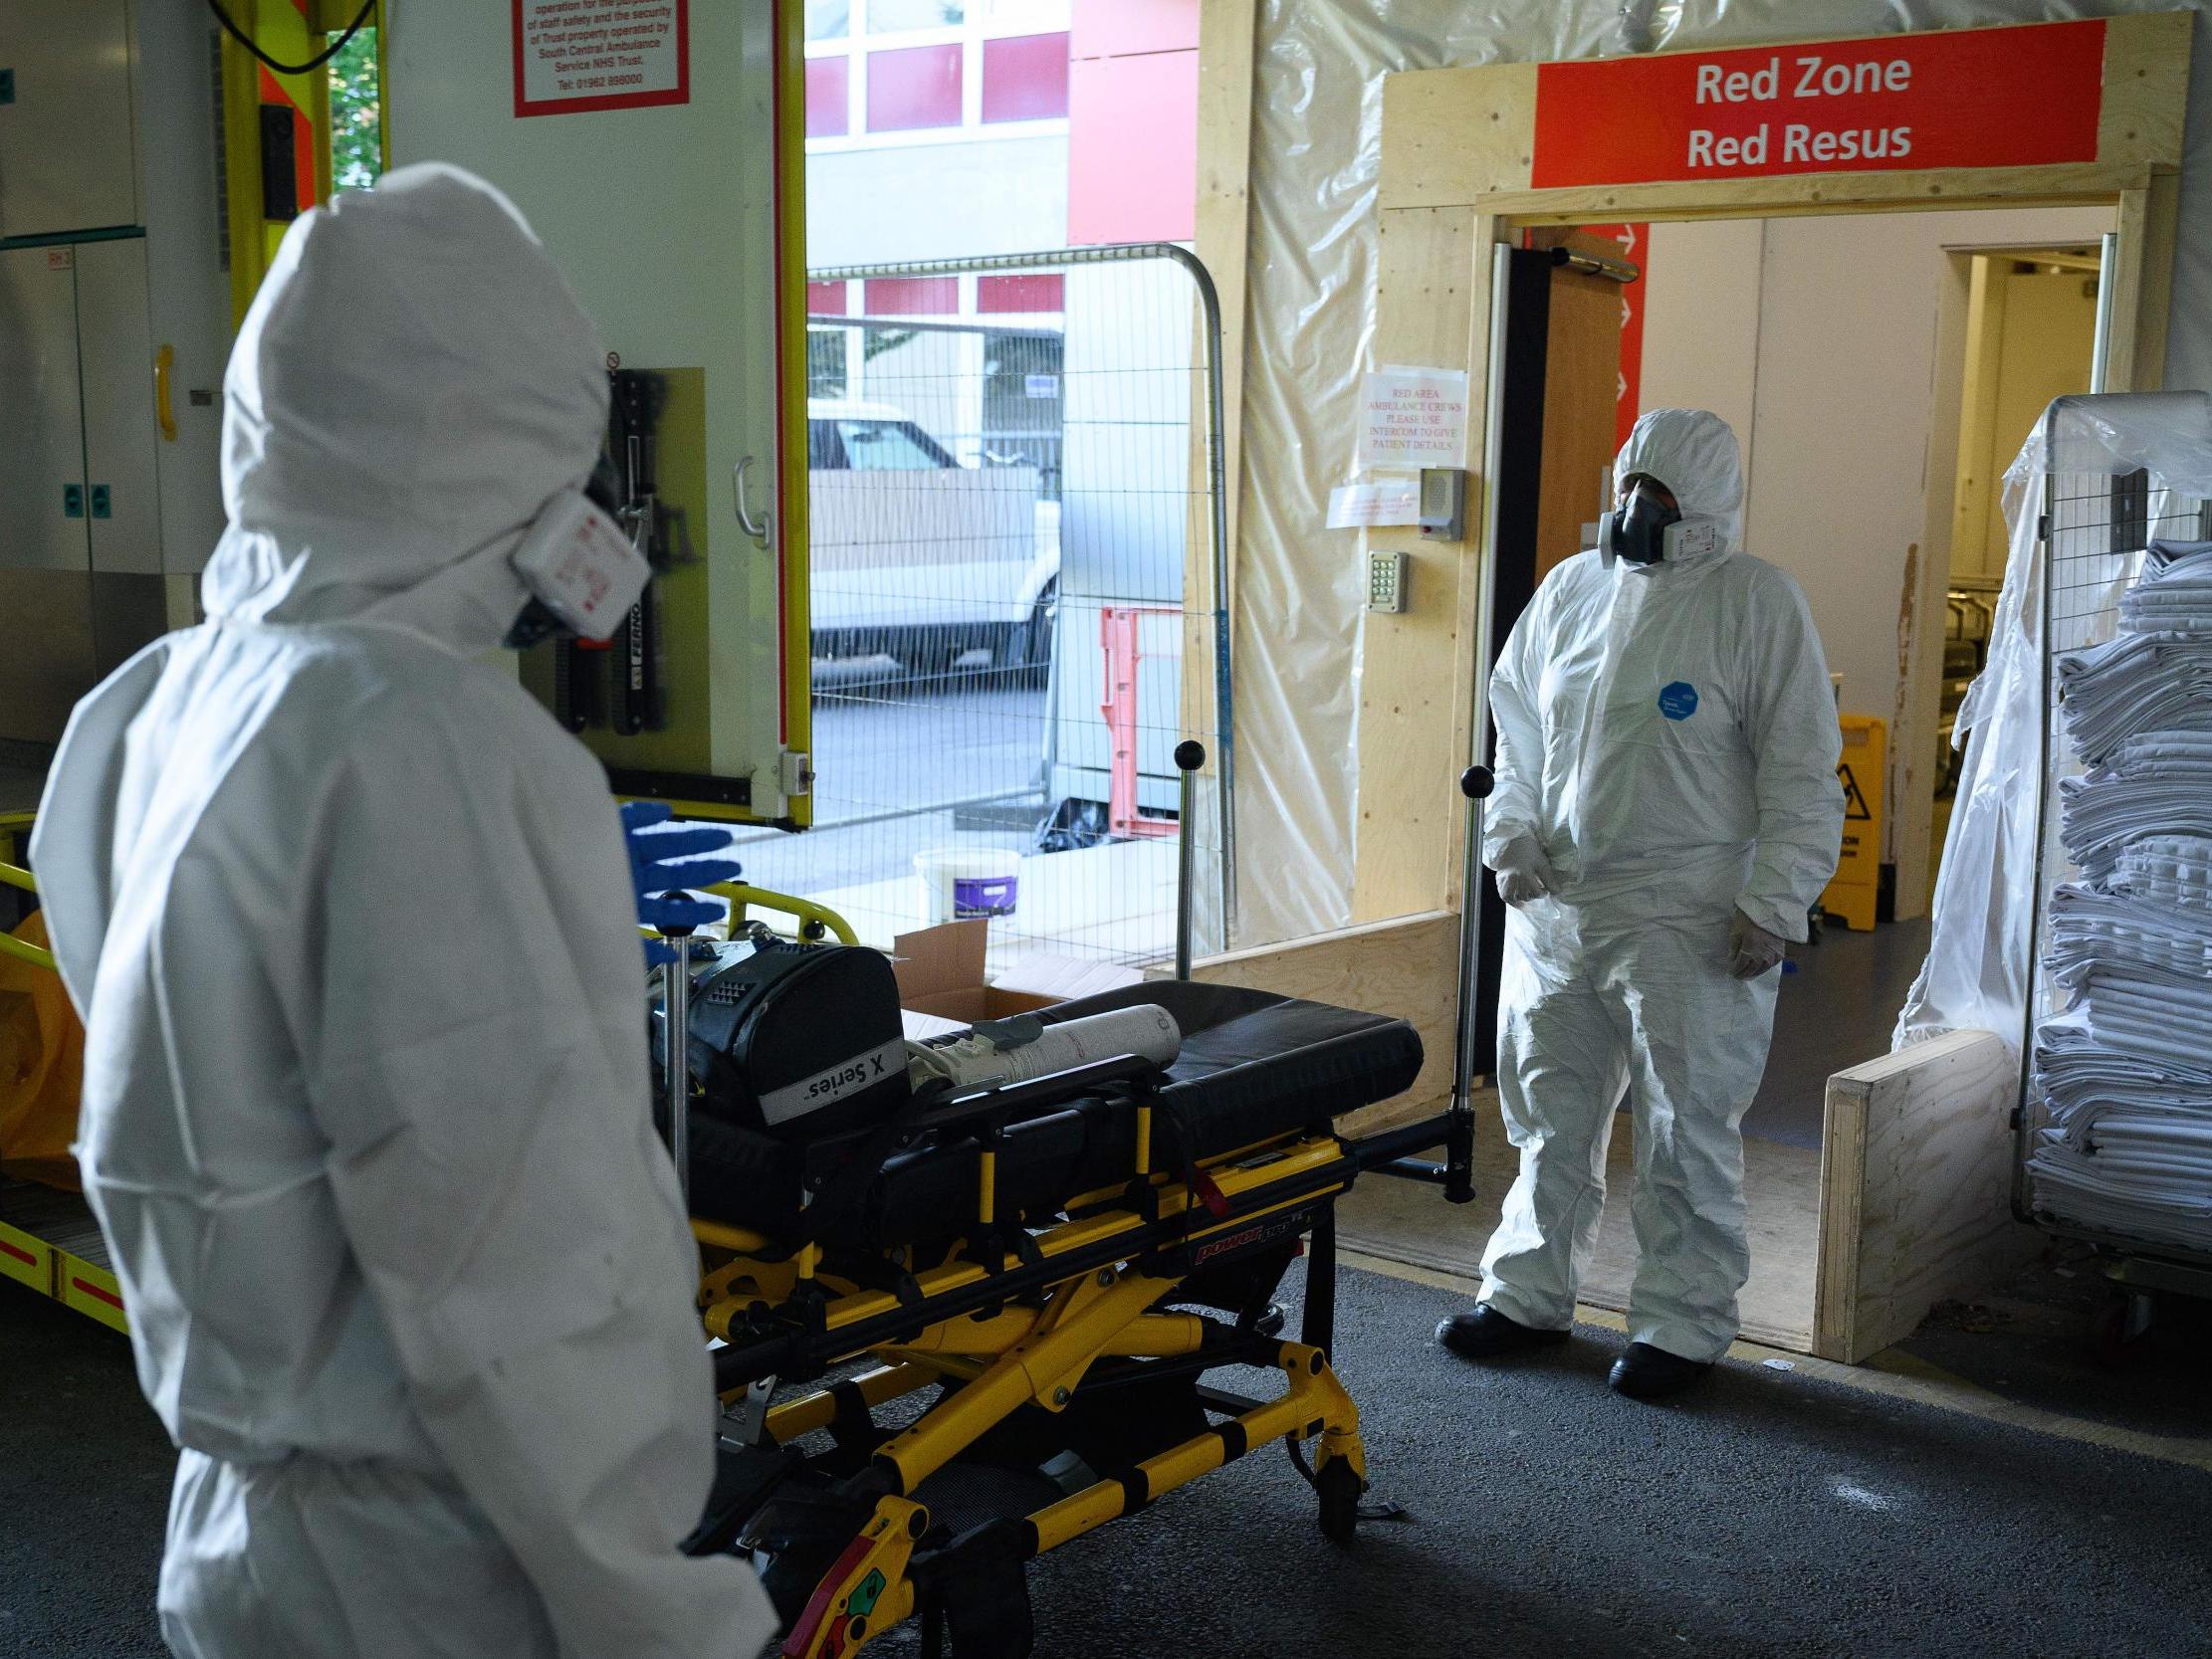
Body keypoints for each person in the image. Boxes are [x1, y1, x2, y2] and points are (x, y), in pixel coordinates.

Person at [30, 165, 778, 1657]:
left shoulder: (158, 700)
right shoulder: (425, 741)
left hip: (241, 1536)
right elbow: (513, 1262)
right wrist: (660, 1611)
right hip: (443, 1567)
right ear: (507, 443)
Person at [1436, 408, 1844, 1400]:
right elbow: (1517, 729)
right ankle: (1526, 1294)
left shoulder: (1754, 602)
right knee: (1549, 1113)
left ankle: (1680, 1323)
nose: (1634, 509)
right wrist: (1510, 832)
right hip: (1558, 909)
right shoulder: (1570, 590)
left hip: (1689, 916)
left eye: (1657, 494)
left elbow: (1801, 768)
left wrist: (1774, 900)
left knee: (1683, 1125)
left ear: (1705, 505)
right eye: (1628, 485)